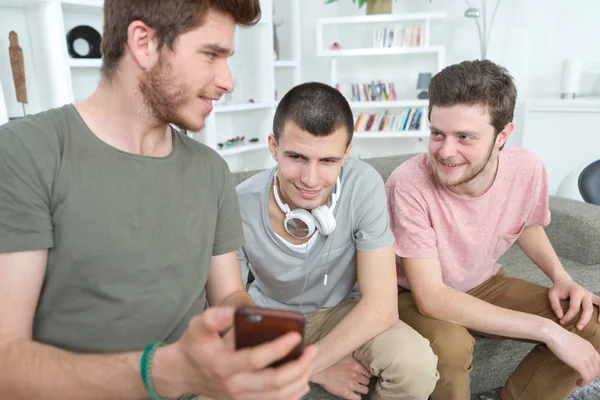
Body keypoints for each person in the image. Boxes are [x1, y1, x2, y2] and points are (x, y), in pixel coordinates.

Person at [0, 1, 316, 399]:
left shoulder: (210, 171)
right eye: (211, 55)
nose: (228, 80)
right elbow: (6, 364)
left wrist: (259, 344)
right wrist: (162, 372)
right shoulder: (25, 153)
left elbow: (228, 295)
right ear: (144, 43)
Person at [385, 59, 600, 400]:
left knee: (589, 320)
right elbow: (432, 297)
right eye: (437, 133)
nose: (446, 151)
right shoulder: (408, 184)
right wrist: (548, 331)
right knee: (451, 350)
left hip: (484, 282)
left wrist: (561, 277)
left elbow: (526, 224)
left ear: (503, 135)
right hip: (412, 292)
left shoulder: (527, 168)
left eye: (465, 137)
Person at [236, 81, 439, 400]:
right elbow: (226, 305)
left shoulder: (364, 184)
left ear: (346, 153)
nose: (310, 179)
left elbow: (382, 306)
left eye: (328, 161)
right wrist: (314, 367)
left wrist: (304, 364)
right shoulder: (240, 202)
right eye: (297, 157)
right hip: (270, 320)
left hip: (342, 310)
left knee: (415, 366)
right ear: (273, 146)